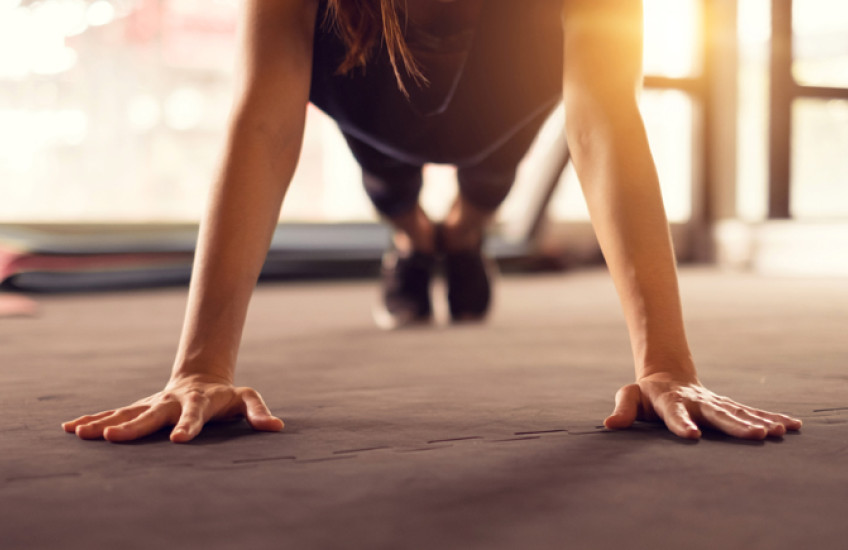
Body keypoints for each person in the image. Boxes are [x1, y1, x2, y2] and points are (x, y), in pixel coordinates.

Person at [63, 0, 802, 443]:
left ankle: (465, 234)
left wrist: (667, 364)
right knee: (391, 186)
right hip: (366, 84)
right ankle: (415, 238)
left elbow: (603, 120)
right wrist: (199, 367)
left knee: (485, 184)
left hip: (503, 99)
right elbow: (262, 123)